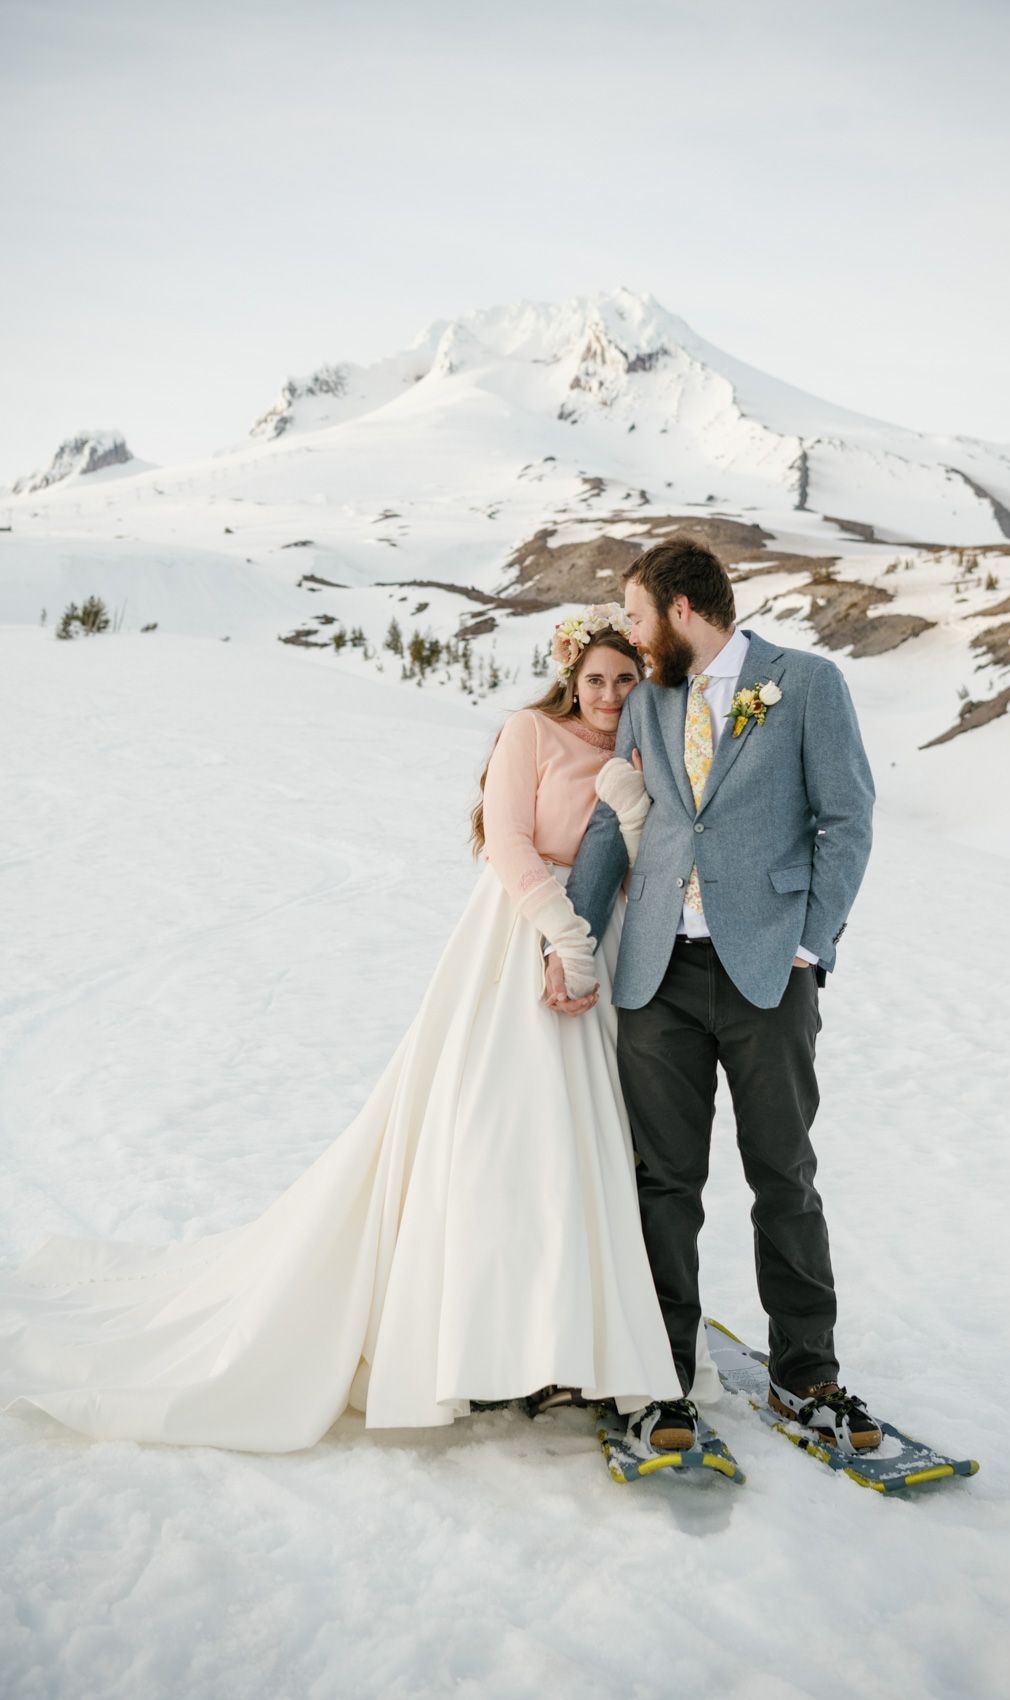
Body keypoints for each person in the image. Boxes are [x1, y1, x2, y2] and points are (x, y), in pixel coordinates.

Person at [0, 606, 710, 1451]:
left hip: (594, 948)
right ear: (570, 675)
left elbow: (644, 858)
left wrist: (622, 852)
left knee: (583, 1148)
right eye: (594, 678)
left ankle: (562, 1342)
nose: (607, 693)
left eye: (623, 680)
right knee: (494, 1133)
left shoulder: (636, 757)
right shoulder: (529, 731)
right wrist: (561, 933)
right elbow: (509, 844)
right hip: (518, 937)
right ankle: (479, 1340)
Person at [548, 536, 881, 1456]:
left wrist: (812, 942)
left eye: (639, 614)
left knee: (784, 1174)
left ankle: (806, 1372)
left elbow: (845, 819)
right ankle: (660, 1378)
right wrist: (571, 941)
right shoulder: (647, 701)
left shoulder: (803, 684)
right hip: (656, 973)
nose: (631, 632)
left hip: (769, 972)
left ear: (682, 611)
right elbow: (624, 825)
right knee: (663, 1182)